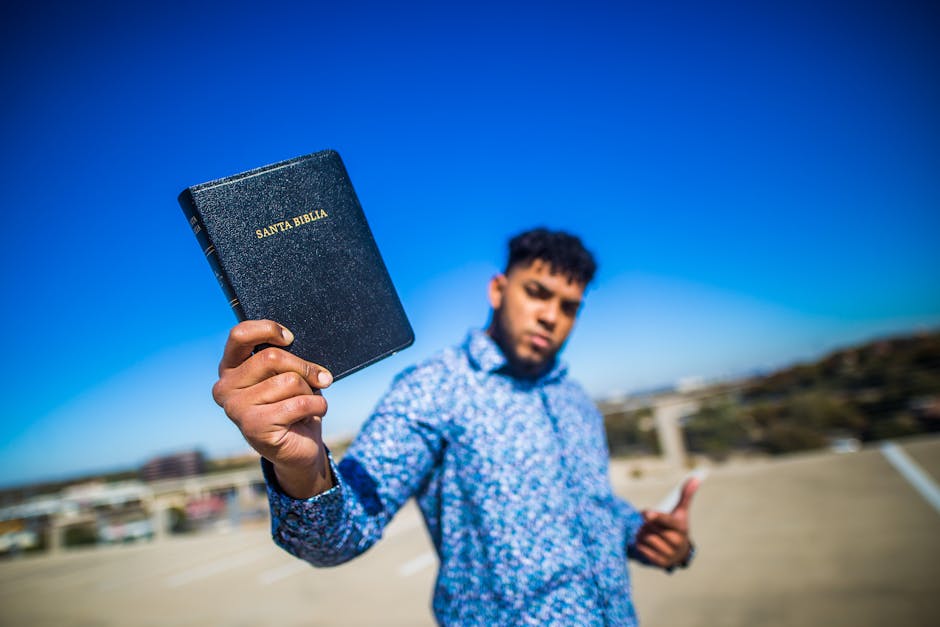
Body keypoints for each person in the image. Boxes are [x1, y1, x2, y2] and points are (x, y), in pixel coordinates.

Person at [212, 228, 698, 625]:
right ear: (498, 290)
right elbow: (341, 533)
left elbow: (586, 503)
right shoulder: (435, 389)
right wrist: (303, 467)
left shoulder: (575, 401)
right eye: (537, 293)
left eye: (568, 306)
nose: (550, 316)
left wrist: (644, 534)